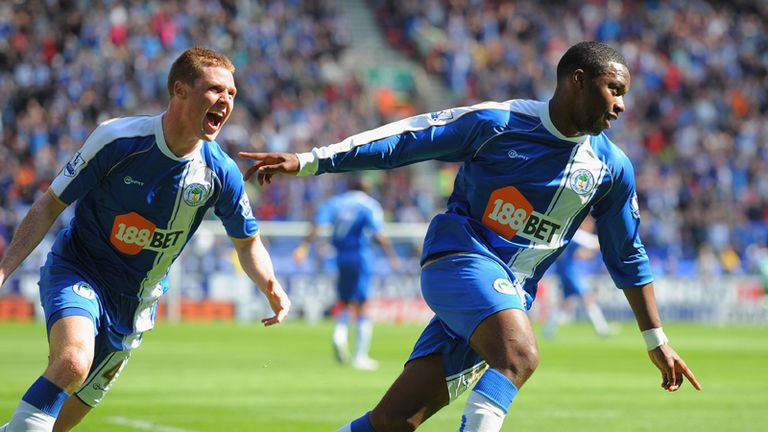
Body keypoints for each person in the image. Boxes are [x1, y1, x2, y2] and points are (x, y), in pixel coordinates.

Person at [240, 41, 701, 432]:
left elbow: (627, 254)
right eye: (614, 90)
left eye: (624, 95)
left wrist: (655, 339)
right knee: (519, 355)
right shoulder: (498, 124)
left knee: (394, 421)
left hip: (508, 295)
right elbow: (408, 139)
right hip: (461, 259)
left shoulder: (611, 168)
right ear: (577, 80)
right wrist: (312, 159)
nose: (621, 105)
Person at [0, 47, 290, 432]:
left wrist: (270, 284)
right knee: (73, 362)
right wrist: (3, 271)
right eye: (215, 89)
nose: (226, 101)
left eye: (232, 93)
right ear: (179, 90)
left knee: (53, 427)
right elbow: (49, 205)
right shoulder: (117, 140)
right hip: (80, 270)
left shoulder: (221, 173)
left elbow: (247, 242)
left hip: (136, 308)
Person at [293, 175, 400, 370]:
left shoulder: (336, 202)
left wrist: (303, 247)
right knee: (362, 304)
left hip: (340, 256)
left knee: (344, 300)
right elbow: (379, 234)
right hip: (360, 256)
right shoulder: (369, 205)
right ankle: (360, 356)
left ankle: (339, 335)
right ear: (366, 189)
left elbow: (317, 225)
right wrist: (392, 256)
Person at [542, 219, 617, 339]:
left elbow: (579, 253)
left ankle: (548, 331)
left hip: (564, 272)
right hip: (570, 273)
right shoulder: (576, 234)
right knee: (588, 298)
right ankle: (602, 329)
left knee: (566, 302)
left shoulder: (566, 233)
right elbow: (593, 243)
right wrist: (609, 238)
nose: (590, 226)